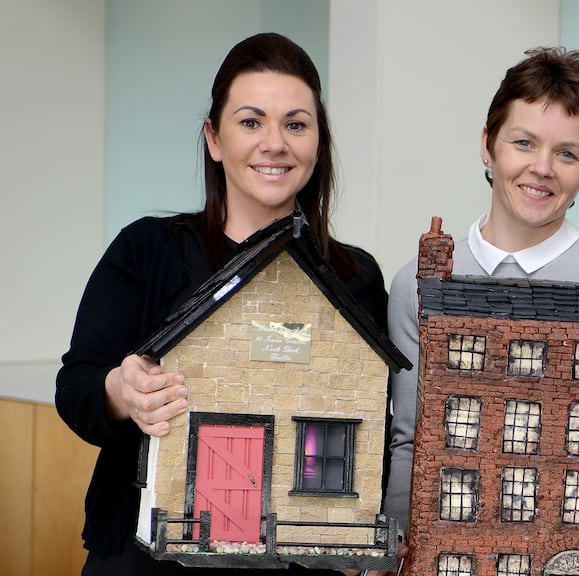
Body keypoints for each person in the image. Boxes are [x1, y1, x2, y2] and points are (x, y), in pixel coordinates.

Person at [55, 32, 389, 575]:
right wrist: (122, 392)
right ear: (214, 137)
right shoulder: (147, 250)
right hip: (143, 560)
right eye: (251, 121)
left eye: (296, 124)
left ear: (318, 142)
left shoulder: (355, 278)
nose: (275, 143)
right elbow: (76, 389)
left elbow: (373, 425)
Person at [380, 47, 579, 576]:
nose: (542, 169)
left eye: (568, 153)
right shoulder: (416, 285)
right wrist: (396, 557)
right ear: (488, 146)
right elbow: (410, 442)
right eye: (524, 143)